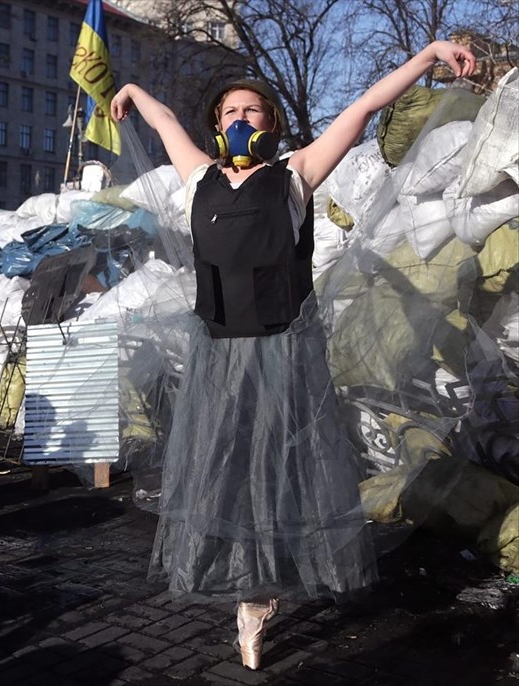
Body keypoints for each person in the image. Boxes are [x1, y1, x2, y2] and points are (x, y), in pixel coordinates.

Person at [109, 41, 477, 670]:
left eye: (253, 112)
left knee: (282, 471)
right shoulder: (199, 178)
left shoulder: (296, 176)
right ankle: (248, 599)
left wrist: (429, 56)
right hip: (218, 356)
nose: (240, 120)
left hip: (282, 352)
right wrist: (138, 94)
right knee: (225, 468)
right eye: (230, 112)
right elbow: (167, 123)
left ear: (272, 126)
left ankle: (261, 593)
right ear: (217, 125)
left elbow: (362, 108)